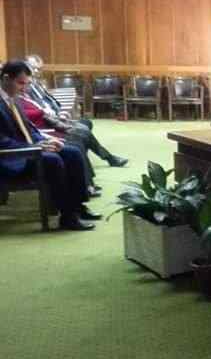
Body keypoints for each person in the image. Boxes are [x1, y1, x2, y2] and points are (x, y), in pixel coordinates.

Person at [0, 60, 100, 230]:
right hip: (11, 159)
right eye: (21, 83)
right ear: (6, 78)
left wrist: (44, 140)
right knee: (53, 160)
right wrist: (36, 148)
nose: (24, 89)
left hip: (29, 150)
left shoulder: (13, 97)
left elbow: (28, 128)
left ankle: (78, 207)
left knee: (72, 152)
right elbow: (2, 141)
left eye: (27, 84)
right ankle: (68, 216)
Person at [24, 54, 128, 169]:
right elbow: (35, 108)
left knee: (86, 124)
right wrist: (52, 114)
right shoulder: (26, 86)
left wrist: (58, 111)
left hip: (53, 117)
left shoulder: (37, 83)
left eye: (39, 69)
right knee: (84, 131)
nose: (36, 71)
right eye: (33, 68)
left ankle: (94, 160)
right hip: (46, 123)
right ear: (26, 66)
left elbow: (48, 100)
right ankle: (107, 159)